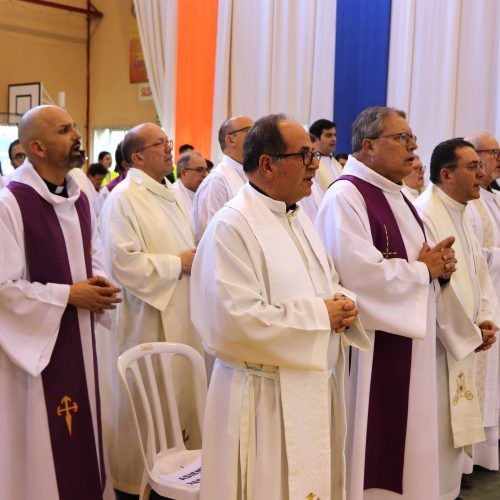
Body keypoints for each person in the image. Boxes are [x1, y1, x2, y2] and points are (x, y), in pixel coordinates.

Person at [191, 114, 370, 499]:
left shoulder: (298, 217)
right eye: (304, 155)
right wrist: (322, 314)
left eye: (313, 155)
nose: (314, 165)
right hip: (261, 399)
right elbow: (232, 323)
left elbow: (325, 280)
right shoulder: (231, 227)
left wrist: (343, 302)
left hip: (310, 387)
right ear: (268, 165)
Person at [316, 106, 458, 500]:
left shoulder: (400, 196)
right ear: (368, 146)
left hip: (410, 342)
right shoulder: (346, 196)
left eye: (412, 138)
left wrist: (441, 269)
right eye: (402, 138)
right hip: (372, 349)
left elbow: (421, 262)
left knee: (412, 443)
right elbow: (357, 276)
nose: (413, 147)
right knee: (374, 448)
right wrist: (423, 271)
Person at [0, 105, 121, 499]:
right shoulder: (10, 203)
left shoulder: (80, 196)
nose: (77, 135)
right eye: (65, 130)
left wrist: (99, 284)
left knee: (85, 433)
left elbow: (94, 252)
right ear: (37, 147)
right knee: (42, 444)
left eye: (74, 127)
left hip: (81, 337)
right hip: (35, 350)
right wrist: (68, 295)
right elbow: (3, 288)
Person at [98, 122, 203, 495]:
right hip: (148, 318)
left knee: (181, 402)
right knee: (148, 408)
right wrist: (178, 264)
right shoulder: (124, 198)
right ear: (137, 157)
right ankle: (136, 484)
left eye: (167, 141)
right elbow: (122, 264)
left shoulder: (170, 192)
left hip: (182, 310)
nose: (169, 148)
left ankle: (179, 475)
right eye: (160, 144)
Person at [415, 138, 497, 499]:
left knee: (449, 446)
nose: (481, 173)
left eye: (480, 165)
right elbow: (434, 286)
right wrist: (470, 332)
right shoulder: (425, 215)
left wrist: (487, 319)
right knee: (434, 438)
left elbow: (479, 274)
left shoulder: (463, 212)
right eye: (473, 166)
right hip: (438, 349)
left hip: (464, 340)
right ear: (446, 174)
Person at [463, 131, 500, 474]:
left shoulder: (490, 196)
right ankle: (470, 458)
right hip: (478, 303)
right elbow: (471, 256)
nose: (498, 159)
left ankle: (487, 451)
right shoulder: (467, 203)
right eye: (493, 152)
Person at [192, 115, 254, 239]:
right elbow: (212, 235)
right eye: (251, 131)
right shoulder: (216, 182)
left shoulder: (252, 174)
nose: (258, 137)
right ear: (230, 140)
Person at [173, 152, 208, 229]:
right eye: (199, 170)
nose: (205, 175)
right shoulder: (172, 197)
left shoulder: (205, 193)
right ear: (184, 172)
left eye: (206, 170)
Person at [309, 118, 343, 190]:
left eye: (334, 135)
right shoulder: (310, 164)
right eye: (329, 135)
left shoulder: (337, 164)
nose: (334, 139)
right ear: (316, 138)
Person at [98, 141, 129, 209]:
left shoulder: (116, 175)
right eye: (107, 159)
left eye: (111, 159)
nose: (110, 161)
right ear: (100, 161)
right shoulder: (97, 176)